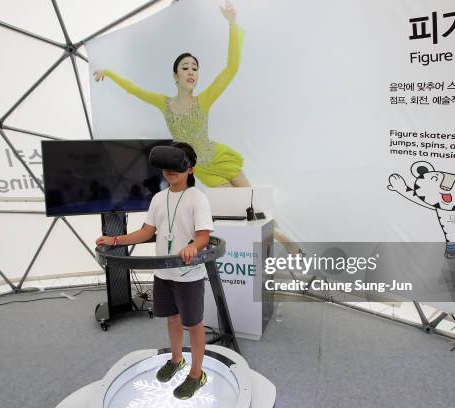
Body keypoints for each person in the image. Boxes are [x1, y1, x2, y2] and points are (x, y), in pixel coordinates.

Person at [94, 0, 301, 252]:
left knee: (256, 203)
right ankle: (286, 241)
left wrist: (232, 24)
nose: (191, 72)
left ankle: (287, 243)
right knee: (241, 209)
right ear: (175, 75)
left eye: (195, 68)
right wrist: (109, 73)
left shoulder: (203, 100)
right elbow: (134, 90)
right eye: (185, 67)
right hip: (204, 168)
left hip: (220, 156)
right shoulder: (164, 103)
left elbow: (231, 68)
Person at [96, 142, 213, 400]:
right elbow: (147, 232)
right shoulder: (158, 199)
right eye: (167, 167)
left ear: (190, 168)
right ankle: (176, 359)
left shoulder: (198, 198)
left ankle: (197, 374)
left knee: (193, 324)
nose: (170, 172)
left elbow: (204, 236)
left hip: (188, 275)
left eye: (177, 166)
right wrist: (114, 240)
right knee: (172, 319)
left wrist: (193, 247)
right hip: (163, 274)